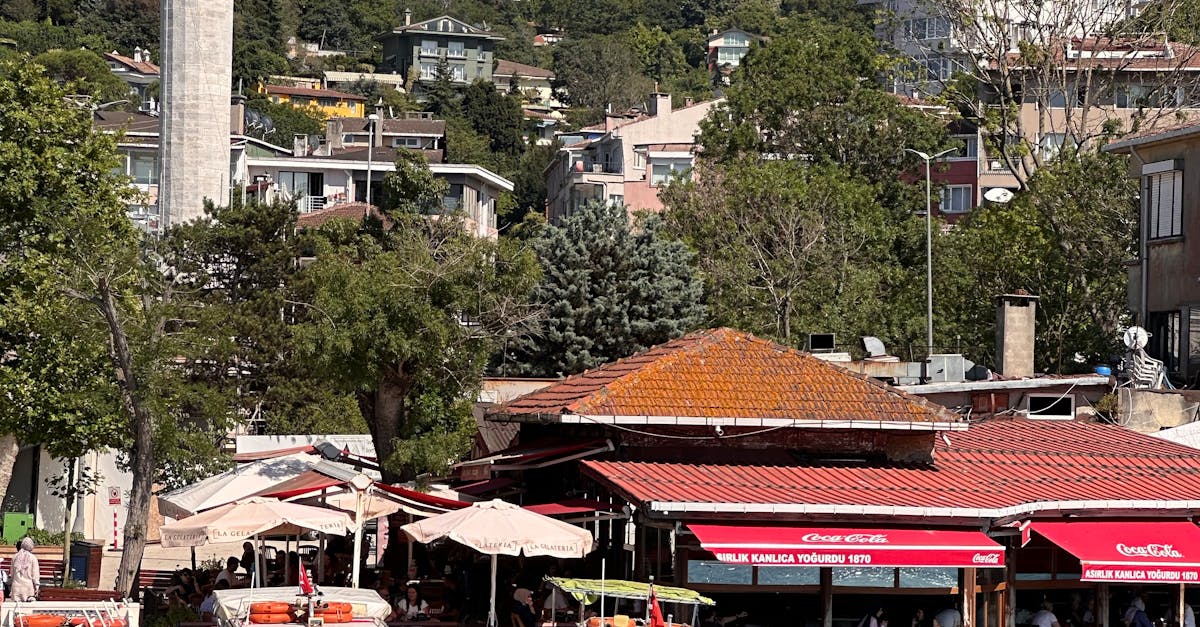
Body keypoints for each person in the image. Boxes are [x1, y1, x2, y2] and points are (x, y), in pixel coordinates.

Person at [9, 537, 38, 602]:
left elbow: (12, 574)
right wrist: (37, 586)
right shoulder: (33, 558)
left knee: (16, 607)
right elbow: (35, 575)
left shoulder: (15, 557)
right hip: (28, 588)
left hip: (16, 587)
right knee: (28, 607)